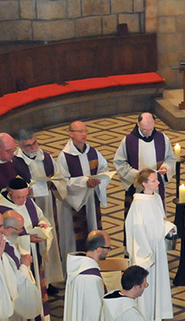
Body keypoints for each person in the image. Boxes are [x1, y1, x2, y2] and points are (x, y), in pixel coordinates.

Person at [0, 177, 56, 321]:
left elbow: (40, 216)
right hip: (20, 258)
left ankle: (41, 320)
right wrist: (28, 238)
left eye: (25, 196)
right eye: (19, 197)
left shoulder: (28, 202)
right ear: (10, 194)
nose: (23, 200)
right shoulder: (2, 210)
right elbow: (6, 237)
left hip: (34, 252)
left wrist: (42, 224)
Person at [12, 128, 65, 287]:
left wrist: (53, 183)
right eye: (28, 145)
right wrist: (30, 190)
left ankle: (50, 280)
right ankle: (40, 282)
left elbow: (60, 177)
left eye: (35, 143)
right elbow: (14, 187)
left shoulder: (46, 157)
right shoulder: (16, 163)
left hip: (48, 206)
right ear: (20, 147)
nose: (34, 147)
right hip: (29, 209)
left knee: (50, 240)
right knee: (36, 243)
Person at [125, 168, 176, 321]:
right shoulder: (138, 204)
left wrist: (168, 227)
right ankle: (146, 317)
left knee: (158, 281)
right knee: (146, 283)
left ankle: (157, 315)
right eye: (153, 180)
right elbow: (135, 228)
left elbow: (159, 220)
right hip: (145, 250)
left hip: (157, 246)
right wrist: (146, 252)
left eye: (156, 180)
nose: (157, 183)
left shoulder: (157, 198)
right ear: (144, 184)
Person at [0, 211, 43, 321]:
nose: (22, 231)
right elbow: (12, 281)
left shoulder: (9, 243)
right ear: (9, 229)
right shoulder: (1, 250)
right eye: (20, 228)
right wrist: (25, 265)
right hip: (13, 308)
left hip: (18, 303)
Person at [56, 121, 110, 256]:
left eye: (85, 131)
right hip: (76, 205)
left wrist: (99, 180)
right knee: (77, 240)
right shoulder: (64, 157)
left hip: (92, 200)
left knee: (94, 231)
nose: (84, 134)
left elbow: (104, 169)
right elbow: (62, 182)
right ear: (70, 133)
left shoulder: (92, 152)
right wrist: (85, 183)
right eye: (80, 131)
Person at [114, 112, 176, 216]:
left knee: (156, 215)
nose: (147, 133)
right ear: (138, 123)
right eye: (144, 130)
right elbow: (119, 162)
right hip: (137, 187)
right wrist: (138, 176)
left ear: (154, 123)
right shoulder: (128, 141)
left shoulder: (162, 138)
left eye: (150, 129)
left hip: (156, 186)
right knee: (137, 217)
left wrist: (165, 168)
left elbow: (170, 158)